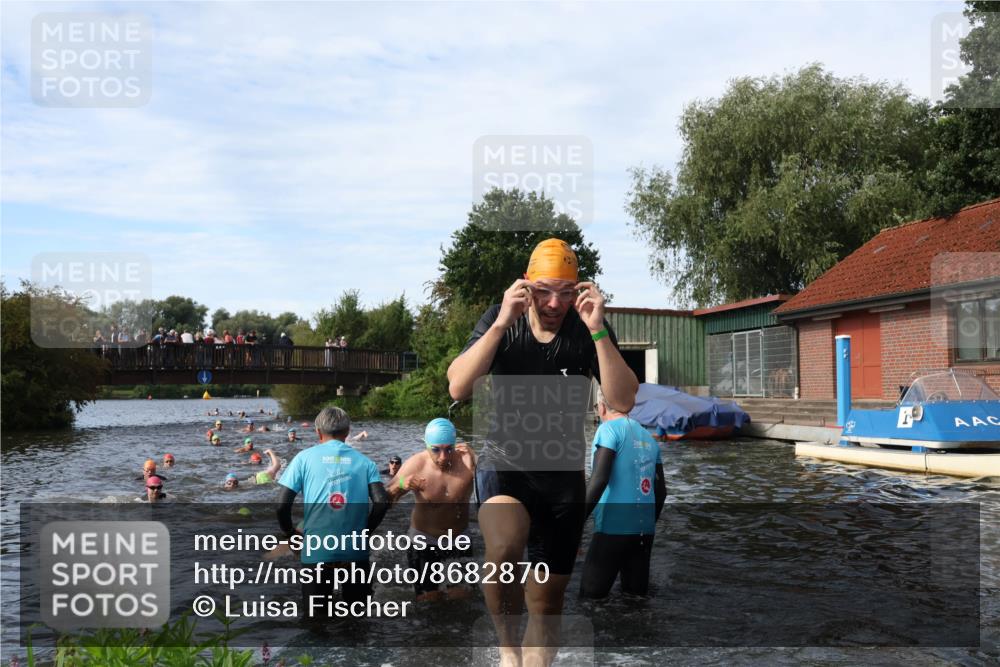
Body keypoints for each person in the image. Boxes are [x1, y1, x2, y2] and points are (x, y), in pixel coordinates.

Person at [446, 238, 638, 667]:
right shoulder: (502, 319)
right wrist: (500, 324)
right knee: (503, 549)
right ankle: (507, 652)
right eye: (545, 290)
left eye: (567, 292)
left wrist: (599, 330)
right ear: (526, 285)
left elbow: (623, 402)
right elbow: (458, 386)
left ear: (580, 291)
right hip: (505, 466)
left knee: (547, 602)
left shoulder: (587, 328)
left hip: (562, 477)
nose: (555, 303)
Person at [277, 406, 390, 621]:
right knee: (358, 622)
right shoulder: (365, 462)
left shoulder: (303, 459)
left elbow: (282, 506)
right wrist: (365, 532)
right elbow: (382, 502)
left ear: (318, 432)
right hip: (355, 553)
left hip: (317, 552)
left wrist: (291, 535)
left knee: (316, 623)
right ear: (347, 432)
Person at [580, 391, 665, 599]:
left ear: (601, 407)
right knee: (635, 602)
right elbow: (661, 492)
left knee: (590, 601)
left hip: (612, 528)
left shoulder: (607, 430)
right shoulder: (649, 439)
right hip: (645, 532)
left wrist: (575, 521)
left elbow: (599, 480)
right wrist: (645, 525)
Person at [388, 418, 477, 601]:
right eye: (436, 449)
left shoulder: (468, 462)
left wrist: (476, 467)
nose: (443, 456)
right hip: (424, 540)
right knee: (430, 600)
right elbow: (386, 499)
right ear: (427, 445)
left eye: (449, 449)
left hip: (458, 539)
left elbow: (495, 492)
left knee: (462, 598)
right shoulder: (416, 464)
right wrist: (403, 483)